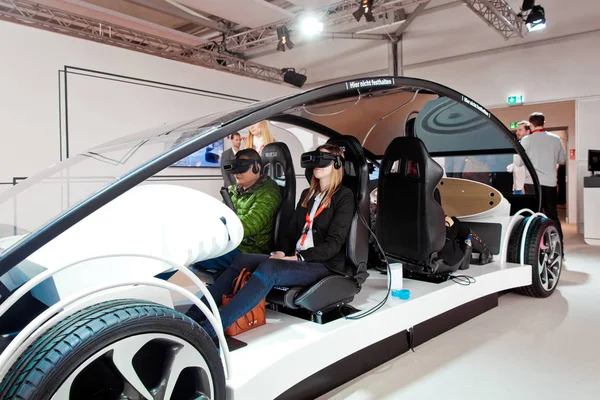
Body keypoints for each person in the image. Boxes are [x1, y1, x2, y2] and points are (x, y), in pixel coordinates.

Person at [189, 144, 354, 340]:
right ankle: (190, 318)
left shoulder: (344, 197)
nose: (317, 164)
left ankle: (211, 329)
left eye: (323, 159)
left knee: (270, 269)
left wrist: (298, 257)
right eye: (315, 159)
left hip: (321, 263)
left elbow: (333, 245)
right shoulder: (307, 195)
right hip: (296, 256)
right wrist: (284, 253)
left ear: (336, 164)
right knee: (242, 260)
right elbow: (290, 231)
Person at [192, 148, 282, 274]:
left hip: (247, 251)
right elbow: (219, 215)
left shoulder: (268, 192)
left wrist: (216, 230)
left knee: (189, 252)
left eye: (242, 167)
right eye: (235, 167)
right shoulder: (234, 190)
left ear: (257, 167)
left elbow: (249, 225)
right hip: (228, 244)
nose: (237, 173)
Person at [515, 112, 566, 245]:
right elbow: (562, 159)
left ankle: (533, 246)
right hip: (550, 183)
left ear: (530, 125)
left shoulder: (526, 140)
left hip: (532, 183)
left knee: (533, 216)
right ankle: (558, 245)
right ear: (544, 123)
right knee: (552, 216)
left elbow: (518, 163)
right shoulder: (555, 139)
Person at [507, 121, 532, 194]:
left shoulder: (530, 146)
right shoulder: (519, 145)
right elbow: (519, 163)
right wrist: (512, 166)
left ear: (527, 131)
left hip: (524, 187)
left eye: (520, 130)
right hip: (517, 187)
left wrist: (523, 186)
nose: (517, 132)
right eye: (517, 130)